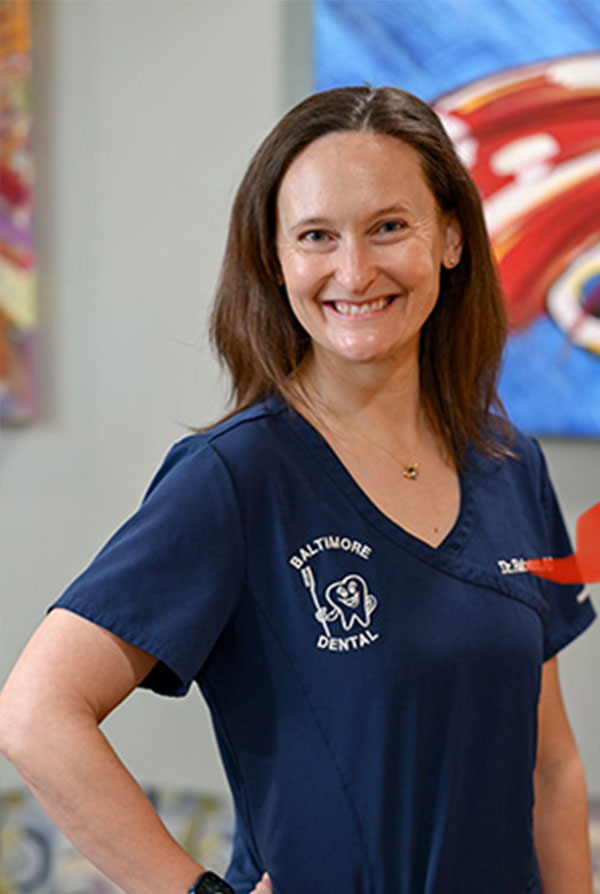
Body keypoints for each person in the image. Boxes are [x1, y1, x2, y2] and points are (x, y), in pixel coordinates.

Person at [0, 86, 596, 894]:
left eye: (389, 226)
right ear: (277, 263)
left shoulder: (509, 465)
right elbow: (35, 714)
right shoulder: (235, 479)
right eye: (317, 236)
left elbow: (551, 769)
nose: (354, 271)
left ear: (451, 238)